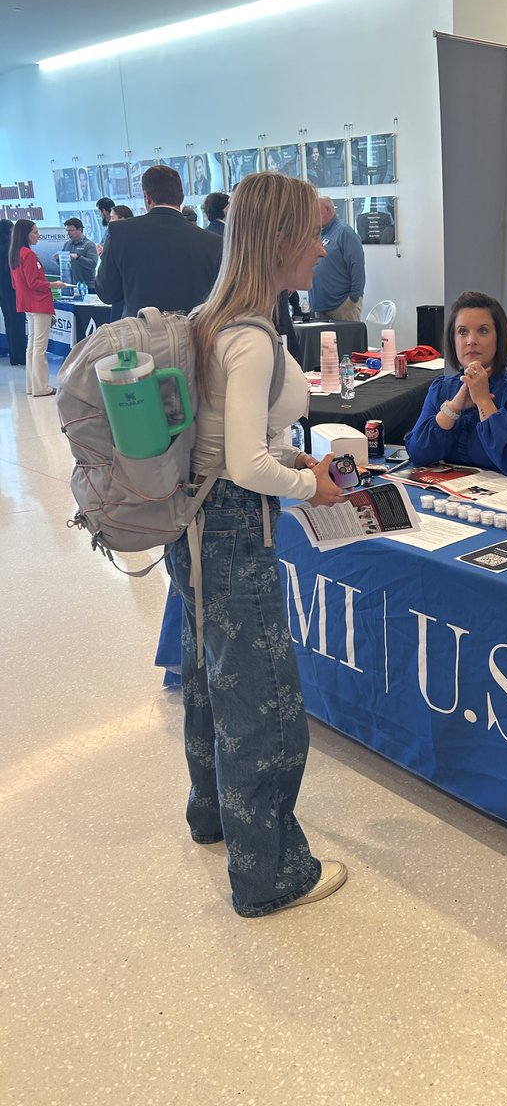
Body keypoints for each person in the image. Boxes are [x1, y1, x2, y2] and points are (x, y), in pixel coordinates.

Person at [165, 171, 347, 917]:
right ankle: (270, 874)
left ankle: (213, 817)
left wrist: (290, 458)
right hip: (236, 532)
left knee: (212, 681)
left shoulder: (215, 318)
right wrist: (314, 487)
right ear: (277, 242)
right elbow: (244, 465)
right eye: (311, 233)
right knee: (264, 705)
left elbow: (231, 446)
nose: (321, 248)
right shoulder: (250, 337)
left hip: (197, 526)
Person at [405, 290, 507, 479]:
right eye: (462, 332)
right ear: (453, 341)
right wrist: (453, 407)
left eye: (483, 331)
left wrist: (484, 400)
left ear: (499, 338)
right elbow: (417, 454)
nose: (471, 341)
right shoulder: (441, 389)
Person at [96, 164, 223, 317]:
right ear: (181, 197)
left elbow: (107, 293)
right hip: (193, 335)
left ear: (147, 197)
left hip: (140, 336)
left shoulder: (120, 232)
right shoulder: (214, 243)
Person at [9, 219, 56, 396]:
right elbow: (34, 282)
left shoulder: (14, 254)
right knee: (39, 347)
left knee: (32, 346)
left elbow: (16, 284)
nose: (38, 235)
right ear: (25, 234)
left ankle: (32, 385)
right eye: (35, 232)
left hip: (27, 303)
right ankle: (41, 387)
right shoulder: (28, 255)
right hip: (38, 303)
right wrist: (54, 285)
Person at [309, 195, 365, 321]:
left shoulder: (345, 233)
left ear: (327, 210)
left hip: (342, 306)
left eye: (314, 210)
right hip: (319, 306)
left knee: (347, 341)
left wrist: (353, 298)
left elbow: (357, 266)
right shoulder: (317, 234)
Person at [0, 218, 27, 366]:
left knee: (8, 321)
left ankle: (13, 356)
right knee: (17, 322)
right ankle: (20, 356)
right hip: (12, 289)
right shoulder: (10, 247)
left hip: (1, 291)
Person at [105, 206, 134, 322]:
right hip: (120, 294)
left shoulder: (117, 238)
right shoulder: (111, 237)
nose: (110, 222)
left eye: (113, 218)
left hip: (126, 294)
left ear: (122, 219)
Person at [62, 217, 99, 290]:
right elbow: (65, 266)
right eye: (67, 231)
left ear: (80, 230)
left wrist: (78, 257)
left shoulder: (89, 245)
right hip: (72, 286)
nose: (68, 233)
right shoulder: (67, 244)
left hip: (88, 287)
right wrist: (59, 259)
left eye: (71, 230)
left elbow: (93, 264)